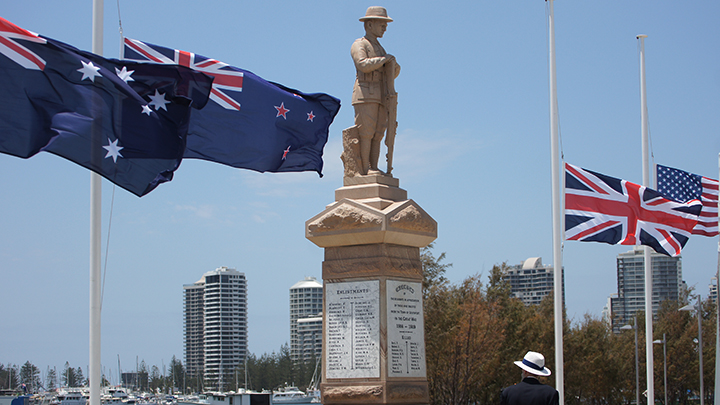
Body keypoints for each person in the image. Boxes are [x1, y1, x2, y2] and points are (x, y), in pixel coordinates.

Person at [350, 6, 400, 175]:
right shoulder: (360, 44)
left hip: (381, 94)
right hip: (365, 93)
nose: (385, 28)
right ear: (369, 25)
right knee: (366, 132)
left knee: (378, 133)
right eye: (381, 24)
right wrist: (384, 60)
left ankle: (373, 166)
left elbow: (391, 73)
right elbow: (362, 64)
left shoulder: (380, 47)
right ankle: (364, 169)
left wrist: (393, 65)